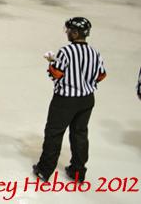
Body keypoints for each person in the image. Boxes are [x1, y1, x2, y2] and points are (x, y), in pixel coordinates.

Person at [32, 17, 106, 183]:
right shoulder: (95, 52)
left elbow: (56, 74)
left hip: (65, 100)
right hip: (87, 99)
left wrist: (51, 63)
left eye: (68, 30)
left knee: (54, 133)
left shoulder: (66, 51)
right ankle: (78, 172)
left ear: (75, 32)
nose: (67, 33)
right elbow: (101, 75)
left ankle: (45, 170)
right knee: (80, 134)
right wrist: (86, 83)